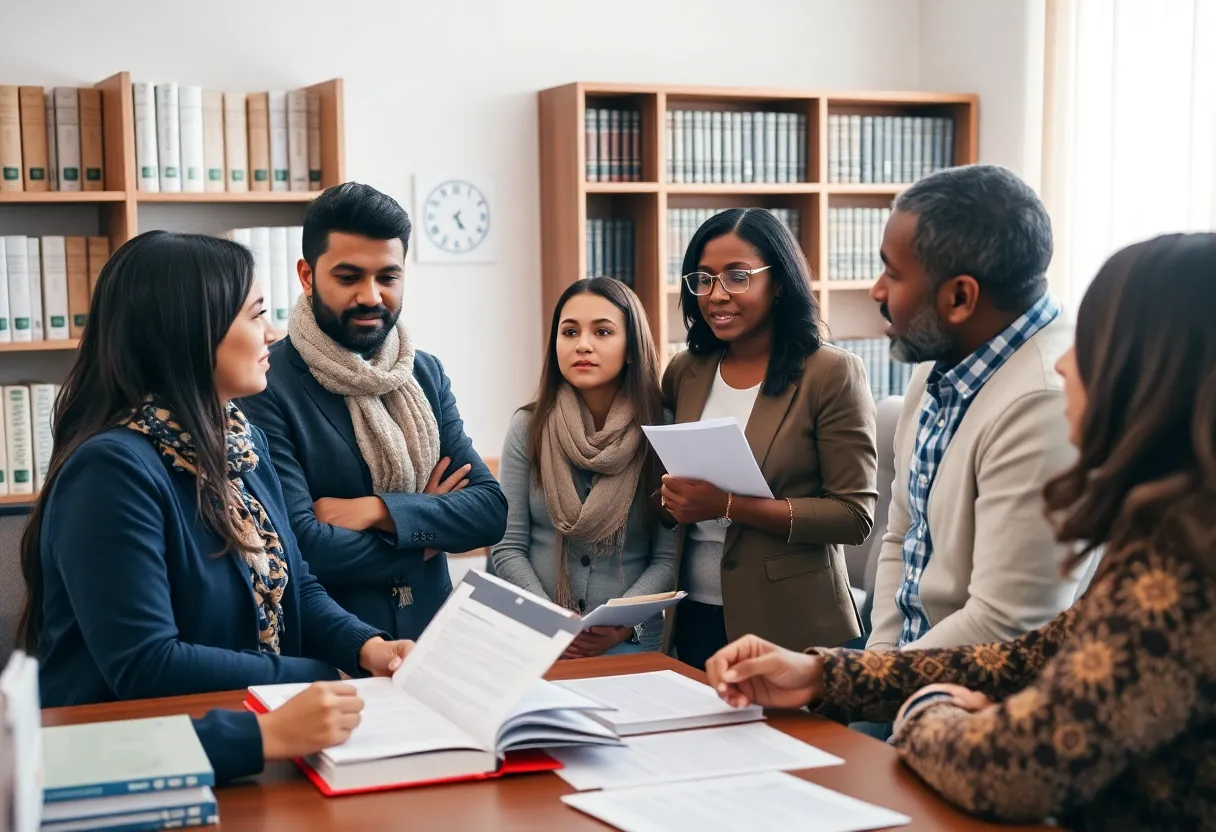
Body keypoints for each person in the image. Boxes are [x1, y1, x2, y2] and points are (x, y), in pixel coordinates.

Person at [706, 232, 1216, 830]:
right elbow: (1029, 657)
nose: (1062, 362)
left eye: (1093, 342)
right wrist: (822, 673)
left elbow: (1020, 767)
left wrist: (929, 705)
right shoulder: (1167, 534)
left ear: (1156, 376)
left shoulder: (1186, 574)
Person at [16, 230, 415, 783]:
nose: (272, 333)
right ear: (192, 333)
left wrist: (367, 647)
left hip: (236, 737)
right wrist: (319, 675)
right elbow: (146, 664)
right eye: (256, 316)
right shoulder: (111, 471)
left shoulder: (239, 440)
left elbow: (295, 583)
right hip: (127, 763)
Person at [239, 183, 507, 640]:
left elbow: (489, 512)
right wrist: (426, 531)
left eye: (388, 277)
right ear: (307, 276)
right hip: (331, 651)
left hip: (432, 637)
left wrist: (377, 511)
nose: (371, 295)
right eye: (349, 278)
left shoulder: (424, 373)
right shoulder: (266, 384)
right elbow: (303, 547)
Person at [866, 164, 1087, 655]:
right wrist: (874, 668)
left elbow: (1007, 621)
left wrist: (865, 683)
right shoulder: (940, 361)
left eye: (893, 273)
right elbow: (901, 535)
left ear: (960, 297)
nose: (877, 291)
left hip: (978, 707)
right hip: (900, 678)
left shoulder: (1046, 403)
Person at [658, 208, 878, 670]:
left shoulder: (830, 373)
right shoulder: (685, 371)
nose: (716, 295)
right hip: (693, 613)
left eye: (738, 277)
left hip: (794, 624)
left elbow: (854, 516)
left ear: (778, 283)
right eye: (703, 279)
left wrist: (727, 506)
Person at [491, 277, 676, 657]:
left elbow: (668, 558)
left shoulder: (664, 430)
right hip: (536, 640)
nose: (583, 345)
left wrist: (618, 625)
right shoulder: (528, 427)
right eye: (570, 331)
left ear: (631, 348)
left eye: (603, 331)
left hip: (631, 641)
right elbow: (507, 547)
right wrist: (550, 621)